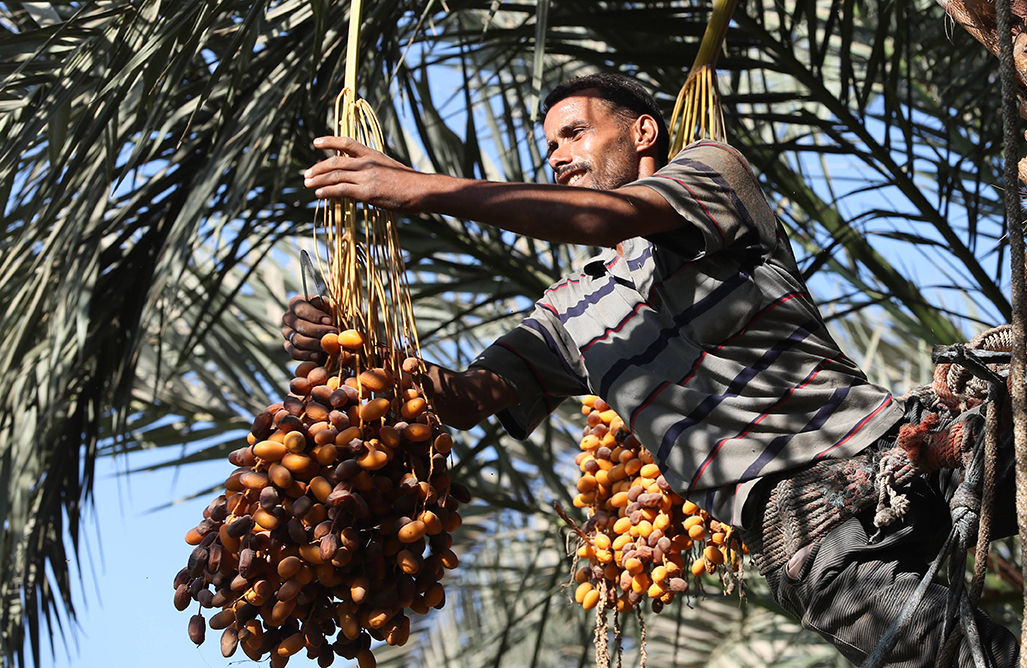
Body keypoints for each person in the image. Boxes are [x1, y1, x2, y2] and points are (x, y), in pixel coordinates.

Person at [282, 73, 1019, 666]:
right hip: (799, 526)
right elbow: (466, 399)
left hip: (902, 441)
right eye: (549, 148)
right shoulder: (567, 313)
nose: (559, 155)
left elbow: (606, 219)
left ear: (642, 132)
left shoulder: (710, 176)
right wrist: (350, 349)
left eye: (574, 132)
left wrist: (418, 189)